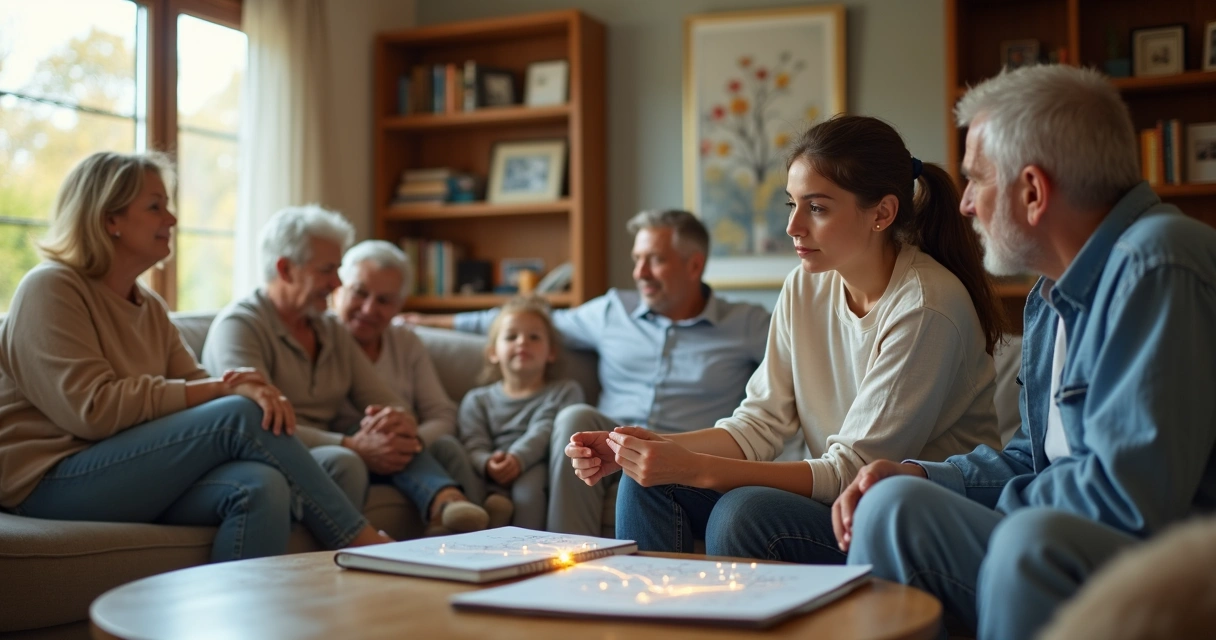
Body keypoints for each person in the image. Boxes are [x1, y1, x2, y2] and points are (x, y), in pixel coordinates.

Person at [832, 65, 1216, 640]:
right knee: (893, 505)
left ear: (1033, 191)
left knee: (1028, 541)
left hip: (1170, 565)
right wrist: (920, 474)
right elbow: (1036, 461)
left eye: (977, 179)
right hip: (1073, 537)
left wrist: (1005, 507)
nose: (963, 205)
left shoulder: (1157, 264)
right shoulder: (1052, 293)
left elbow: (1130, 498)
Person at [592, 115, 1004, 561]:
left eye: (818, 208)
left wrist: (698, 467)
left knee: (743, 512)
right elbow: (760, 424)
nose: (793, 227)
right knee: (645, 481)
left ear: (882, 213)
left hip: (908, 523)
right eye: (792, 204)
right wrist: (645, 449)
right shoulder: (805, 285)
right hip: (838, 505)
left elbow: (853, 473)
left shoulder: (926, 307)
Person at [0, 151, 388, 562]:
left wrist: (236, 389)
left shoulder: (148, 305)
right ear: (109, 219)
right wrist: (229, 389)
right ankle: (356, 540)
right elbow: (92, 410)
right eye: (155, 207)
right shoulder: (51, 288)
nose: (171, 219)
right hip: (49, 481)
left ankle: (253, 623)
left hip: (124, 469)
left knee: (261, 484)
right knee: (240, 412)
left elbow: (200, 387)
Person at [404, 210, 772, 535]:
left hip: (687, 457)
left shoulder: (747, 324)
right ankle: (571, 559)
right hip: (612, 453)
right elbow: (527, 321)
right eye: (636, 259)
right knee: (575, 418)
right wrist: (426, 321)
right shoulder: (612, 311)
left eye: (655, 260)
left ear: (694, 265)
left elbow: (802, 366)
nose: (639, 273)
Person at [202, 206, 489, 534]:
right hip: (275, 454)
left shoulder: (329, 329)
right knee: (347, 461)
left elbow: (384, 399)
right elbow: (257, 422)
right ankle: (358, 554)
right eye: (327, 270)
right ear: (285, 269)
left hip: (329, 446)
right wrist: (351, 444)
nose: (336, 282)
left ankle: (448, 509)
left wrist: (397, 421)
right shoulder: (240, 327)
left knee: (389, 434)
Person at [330, 239, 506, 529]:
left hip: (408, 450)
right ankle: (456, 510)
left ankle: (464, 521)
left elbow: (443, 414)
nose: (369, 308)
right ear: (338, 290)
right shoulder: (323, 336)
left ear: (399, 305)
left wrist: (413, 441)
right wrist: (382, 442)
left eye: (384, 300)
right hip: (354, 450)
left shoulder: (405, 341)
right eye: (359, 293)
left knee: (448, 446)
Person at [458, 296, 584, 530]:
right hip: (485, 471)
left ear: (551, 353)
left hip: (536, 466)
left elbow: (545, 428)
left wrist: (518, 458)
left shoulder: (564, 391)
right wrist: (488, 463)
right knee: (461, 469)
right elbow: (472, 443)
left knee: (529, 489)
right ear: (493, 353)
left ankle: (529, 552)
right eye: (511, 336)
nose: (522, 342)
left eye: (534, 337)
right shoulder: (476, 400)